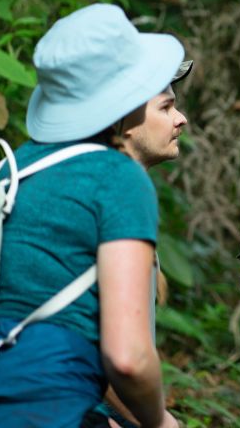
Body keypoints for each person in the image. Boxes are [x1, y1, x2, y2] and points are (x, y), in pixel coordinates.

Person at [0, 3, 183, 428]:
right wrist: (160, 422)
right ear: (126, 103)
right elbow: (128, 357)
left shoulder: (10, 168)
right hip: (37, 405)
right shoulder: (118, 177)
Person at [82, 60, 192, 428]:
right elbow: (110, 351)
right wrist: (155, 421)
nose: (181, 119)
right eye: (166, 107)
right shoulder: (112, 195)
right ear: (124, 123)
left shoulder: (98, 186)